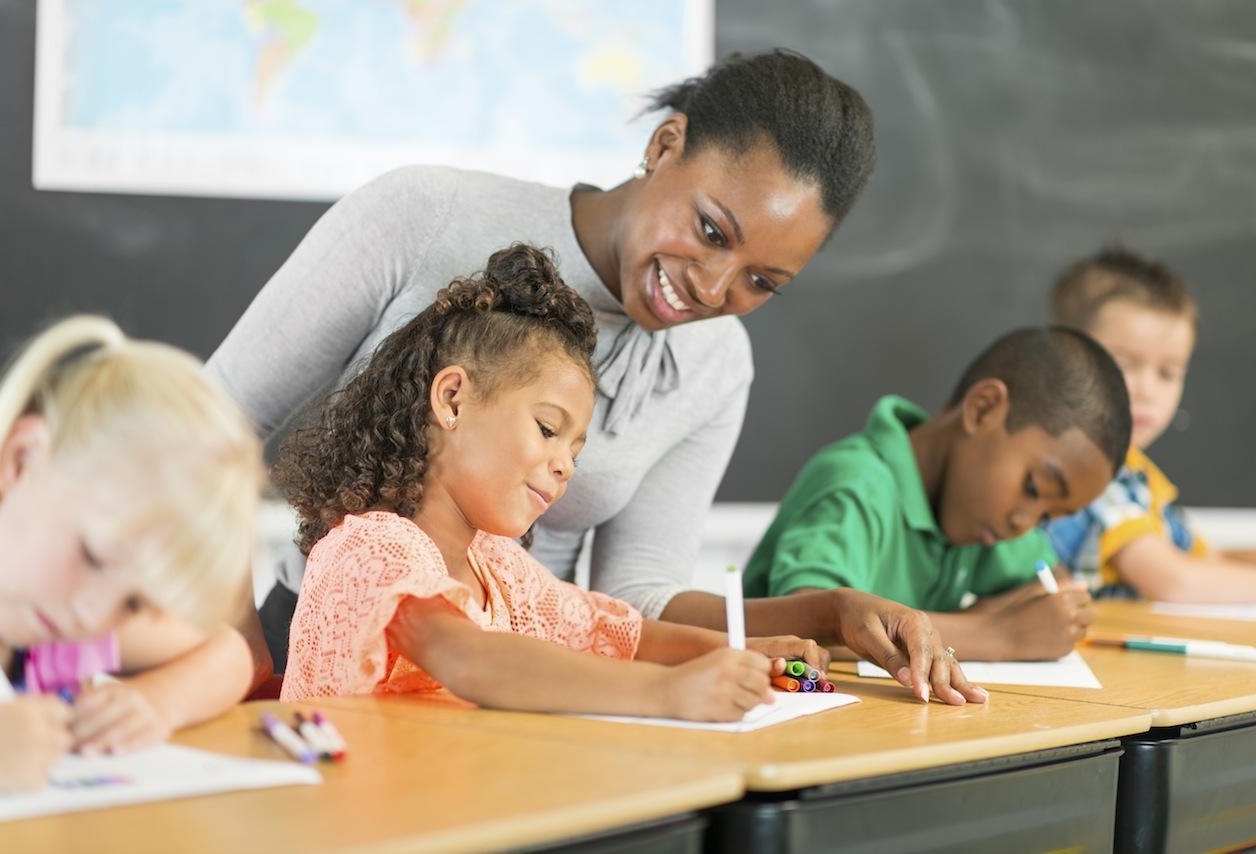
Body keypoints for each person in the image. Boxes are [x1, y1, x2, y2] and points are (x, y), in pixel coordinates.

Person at [205, 50, 962, 689]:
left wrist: (827, 615)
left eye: (761, 282)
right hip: (321, 662)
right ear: (667, 146)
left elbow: (633, 598)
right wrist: (232, 653)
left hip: (531, 689)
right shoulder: (425, 214)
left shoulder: (714, 365)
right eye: (709, 229)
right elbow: (206, 425)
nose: (712, 286)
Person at [275, 245, 835, 720]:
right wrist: (668, 693)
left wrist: (746, 652)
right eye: (548, 429)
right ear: (451, 399)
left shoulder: (499, 565)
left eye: (575, 448)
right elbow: (469, 658)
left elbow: (618, 634)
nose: (566, 464)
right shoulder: (369, 549)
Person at [0, 316, 263, 791]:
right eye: (93, 556)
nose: (95, 614)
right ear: (22, 460)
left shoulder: (58, 632)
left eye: (134, 603)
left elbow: (231, 652)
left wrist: (157, 701)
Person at [742, 327, 1132, 661]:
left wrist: (1033, 612)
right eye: (1033, 489)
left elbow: (1049, 586)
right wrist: (998, 635)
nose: (1024, 524)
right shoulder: (855, 485)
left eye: (1048, 517)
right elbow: (813, 629)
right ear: (982, 409)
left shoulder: (979, 516)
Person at [1044, 247, 1256, 600]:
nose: (1147, 391)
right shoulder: (1087, 468)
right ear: (1065, 359)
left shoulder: (1139, 474)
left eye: (1168, 373)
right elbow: (1174, 581)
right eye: (1125, 364)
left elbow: (1204, 560)